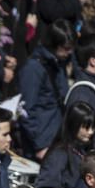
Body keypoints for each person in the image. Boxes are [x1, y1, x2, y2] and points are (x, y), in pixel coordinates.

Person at [18, 21, 74, 160]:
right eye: (66, 48)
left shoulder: (58, 64)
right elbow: (25, 111)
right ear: (54, 45)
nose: (69, 52)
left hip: (57, 140)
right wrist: (40, 146)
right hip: (42, 146)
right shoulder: (34, 68)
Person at [35, 102, 95, 188]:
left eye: (93, 127)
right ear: (74, 125)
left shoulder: (81, 150)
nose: (91, 132)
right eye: (86, 127)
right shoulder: (59, 154)